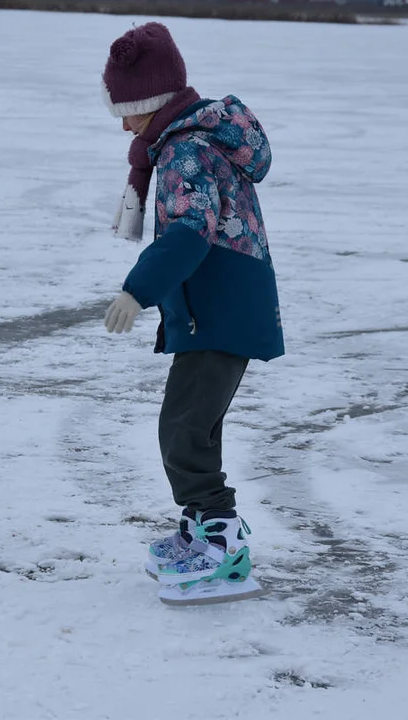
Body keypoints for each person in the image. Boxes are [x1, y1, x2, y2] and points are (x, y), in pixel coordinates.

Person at [100, 22, 285, 604]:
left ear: (152, 103)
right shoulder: (191, 140)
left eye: (129, 111)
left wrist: (138, 290)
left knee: (184, 431)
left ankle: (220, 548)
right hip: (223, 304)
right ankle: (200, 531)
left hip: (220, 308)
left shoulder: (185, 150)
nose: (124, 124)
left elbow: (189, 231)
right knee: (193, 426)